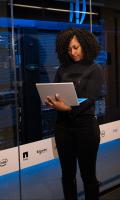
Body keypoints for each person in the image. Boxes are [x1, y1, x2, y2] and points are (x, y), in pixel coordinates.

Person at [45, 28, 103, 200]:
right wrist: (52, 101)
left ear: (85, 45)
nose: (73, 52)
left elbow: (90, 98)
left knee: (88, 176)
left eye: (76, 47)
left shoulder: (94, 68)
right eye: (69, 49)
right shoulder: (62, 69)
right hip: (63, 129)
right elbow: (54, 91)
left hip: (86, 129)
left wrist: (68, 108)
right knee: (67, 176)